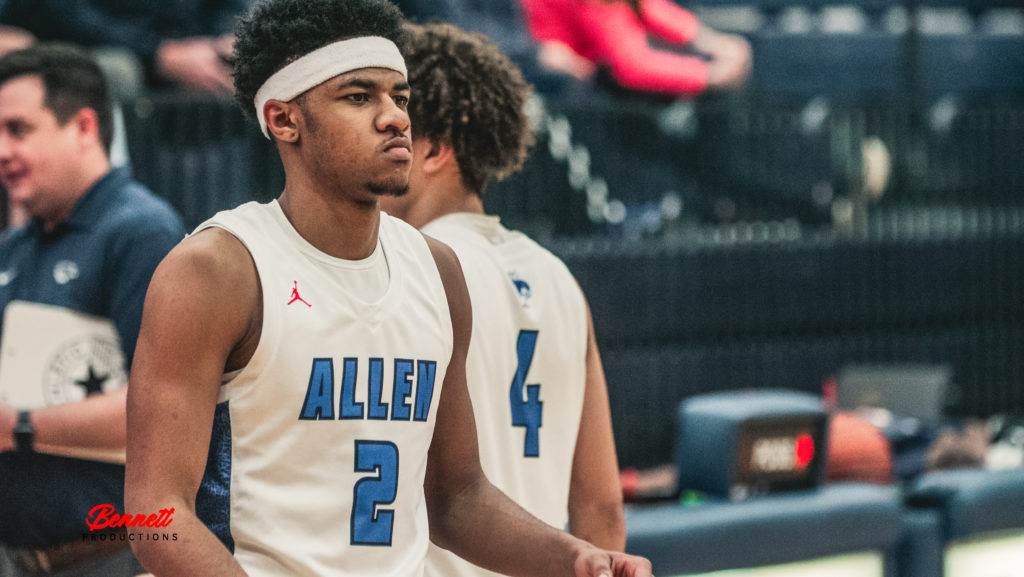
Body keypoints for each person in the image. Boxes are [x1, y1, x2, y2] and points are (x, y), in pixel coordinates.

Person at [123, 1, 652, 577]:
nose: (395, 117)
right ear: (283, 119)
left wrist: (577, 557)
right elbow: (153, 515)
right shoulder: (218, 267)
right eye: (359, 97)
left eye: (400, 97)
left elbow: (458, 499)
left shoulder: (438, 269)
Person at [379, 22, 626, 577]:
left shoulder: (405, 267)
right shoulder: (557, 276)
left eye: (393, 131)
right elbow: (601, 507)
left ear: (433, 149)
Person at [0, 43, 185, 576]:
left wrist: (20, 427)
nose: (3, 150)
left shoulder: (141, 231)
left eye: (18, 129)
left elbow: (169, 410)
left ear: (84, 127)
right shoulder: (17, 246)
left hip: (113, 555)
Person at [0, 0, 249, 97]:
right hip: (104, 51)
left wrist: (219, 41)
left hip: (196, 53)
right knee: (119, 70)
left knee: (240, 63)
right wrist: (158, 54)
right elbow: (59, 13)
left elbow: (229, 8)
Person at [520, 0, 752, 97]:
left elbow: (644, 6)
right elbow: (634, 66)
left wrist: (709, 41)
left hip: (597, 78)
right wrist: (708, 75)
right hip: (588, 92)